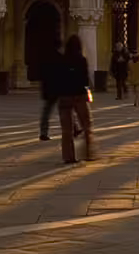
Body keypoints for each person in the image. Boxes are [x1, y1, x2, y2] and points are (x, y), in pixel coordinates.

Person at [56, 35, 96, 164]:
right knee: (86, 125)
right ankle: (88, 153)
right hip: (79, 95)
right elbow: (85, 80)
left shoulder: (61, 60)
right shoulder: (81, 60)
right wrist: (88, 90)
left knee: (66, 130)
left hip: (64, 96)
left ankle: (68, 157)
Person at [37, 36, 61, 141]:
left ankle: (43, 132)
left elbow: (42, 74)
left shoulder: (44, 58)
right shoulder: (59, 57)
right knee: (66, 109)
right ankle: (75, 128)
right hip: (58, 88)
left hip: (48, 88)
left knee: (46, 112)